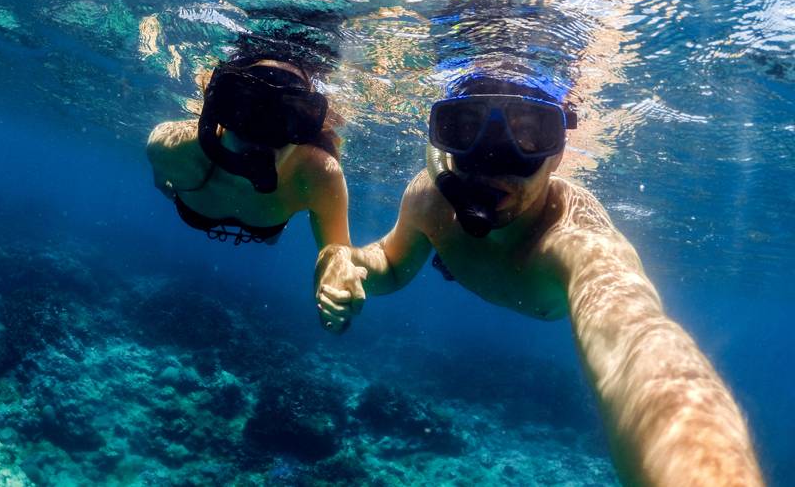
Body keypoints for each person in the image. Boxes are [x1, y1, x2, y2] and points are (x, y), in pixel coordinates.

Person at [314, 72, 763, 486]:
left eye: (529, 131)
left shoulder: (573, 238)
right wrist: (345, 261)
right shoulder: (430, 198)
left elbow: (639, 352)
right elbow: (391, 265)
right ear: (444, 140)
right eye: (466, 127)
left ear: (557, 153)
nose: (493, 160)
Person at [147, 54, 350, 249]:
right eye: (246, 109)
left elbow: (339, 254)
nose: (263, 132)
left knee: (270, 238)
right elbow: (160, 177)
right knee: (269, 236)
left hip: (262, 226)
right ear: (215, 108)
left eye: (287, 117)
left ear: (306, 125)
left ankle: (271, 231)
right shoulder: (170, 147)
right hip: (266, 220)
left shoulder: (321, 176)